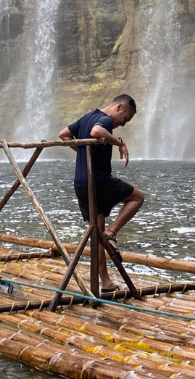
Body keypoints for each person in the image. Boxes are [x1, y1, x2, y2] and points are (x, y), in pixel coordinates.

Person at [57, 94, 144, 290]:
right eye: (126, 119)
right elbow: (97, 131)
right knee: (138, 197)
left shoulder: (86, 117)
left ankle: (104, 282)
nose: (123, 124)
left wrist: (83, 151)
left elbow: (63, 134)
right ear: (119, 108)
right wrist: (118, 143)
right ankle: (112, 233)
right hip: (98, 180)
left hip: (80, 182)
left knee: (96, 233)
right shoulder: (104, 121)